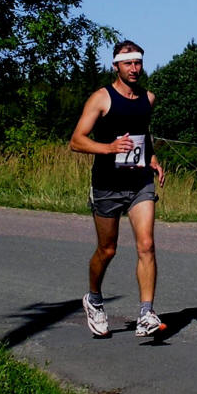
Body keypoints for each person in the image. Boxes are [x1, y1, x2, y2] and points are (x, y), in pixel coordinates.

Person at [70, 40, 166, 337]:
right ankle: (94, 299)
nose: (134, 68)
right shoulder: (101, 98)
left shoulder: (148, 99)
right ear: (116, 66)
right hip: (107, 185)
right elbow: (76, 140)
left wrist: (152, 157)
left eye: (138, 63)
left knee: (146, 245)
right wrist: (109, 148)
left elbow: (143, 134)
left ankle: (146, 313)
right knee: (107, 249)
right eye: (128, 63)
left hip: (139, 183)